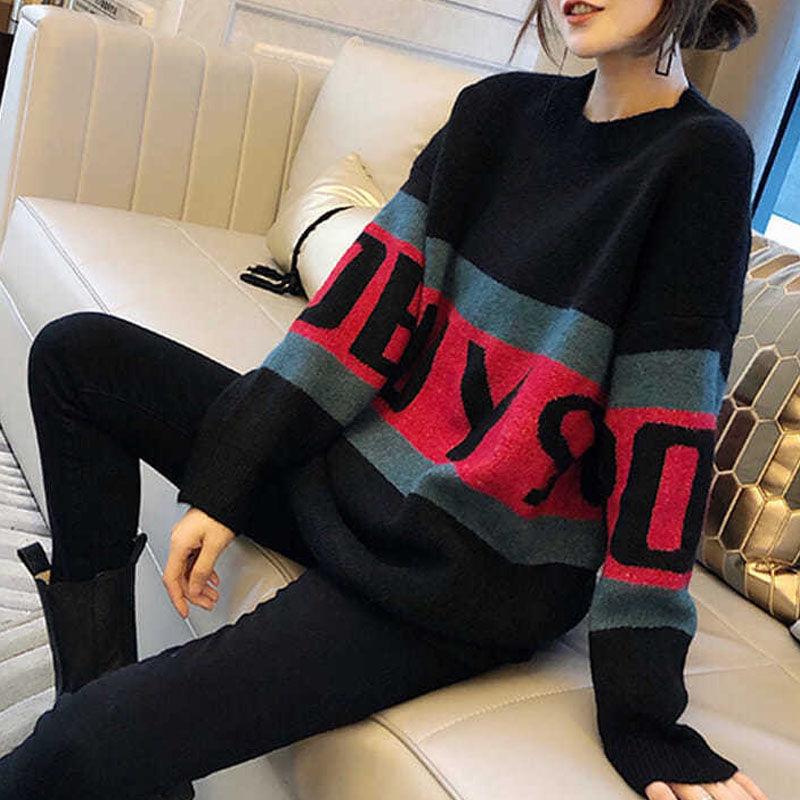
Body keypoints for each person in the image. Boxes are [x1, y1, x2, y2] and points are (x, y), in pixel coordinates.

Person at [0, 1, 770, 799]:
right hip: (356, 477)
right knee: (76, 357)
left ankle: (97, 742)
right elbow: (355, 316)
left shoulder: (700, 160)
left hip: (466, 573)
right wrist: (227, 473)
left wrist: (645, 715)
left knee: (69, 752)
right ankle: (98, 700)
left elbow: (663, 437)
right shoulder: (495, 114)